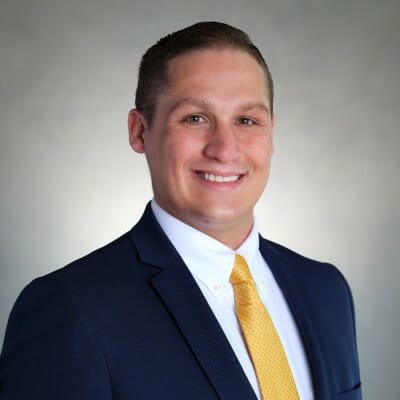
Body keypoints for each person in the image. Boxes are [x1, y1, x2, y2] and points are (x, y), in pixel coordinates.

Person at [0, 22, 361, 400]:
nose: (225, 149)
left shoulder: (327, 291)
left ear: (271, 133)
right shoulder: (72, 310)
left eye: (246, 121)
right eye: (195, 118)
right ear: (140, 131)